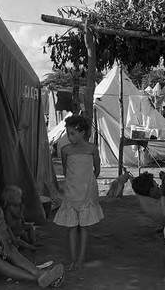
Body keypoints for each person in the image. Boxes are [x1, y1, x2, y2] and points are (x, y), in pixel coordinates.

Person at [53, 115, 104, 271]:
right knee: (71, 227)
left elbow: (97, 168)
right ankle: (73, 258)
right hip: (71, 192)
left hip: (87, 192)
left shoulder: (92, 149)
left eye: (73, 133)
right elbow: (67, 170)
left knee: (84, 227)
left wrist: (89, 182)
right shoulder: (65, 150)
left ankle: (81, 258)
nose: (70, 137)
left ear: (82, 132)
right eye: (68, 133)